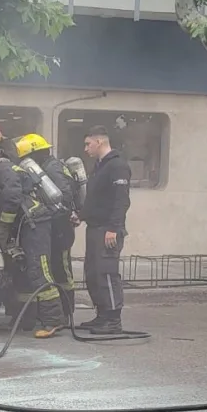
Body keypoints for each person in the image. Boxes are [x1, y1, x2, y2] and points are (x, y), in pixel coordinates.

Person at [0, 142, 66, 339]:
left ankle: (54, 320)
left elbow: (12, 197)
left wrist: (3, 225)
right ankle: (25, 319)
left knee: (39, 270)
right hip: (25, 225)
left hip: (36, 224)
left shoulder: (2, 168)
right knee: (23, 272)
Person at [13, 133, 78, 313]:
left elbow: (64, 196)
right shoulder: (49, 166)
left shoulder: (52, 168)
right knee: (55, 267)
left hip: (61, 226)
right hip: (56, 225)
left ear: (36, 153)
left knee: (62, 270)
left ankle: (66, 313)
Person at [76, 125, 131, 335]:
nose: (86, 148)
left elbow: (121, 200)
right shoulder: (99, 166)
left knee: (107, 273)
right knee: (93, 274)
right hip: (95, 228)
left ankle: (113, 320)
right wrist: (80, 216)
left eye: (88, 144)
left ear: (99, 141)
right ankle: (101, 316)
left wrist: (114, 228)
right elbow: (95, 199)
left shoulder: (117, 166)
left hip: (108, 231)